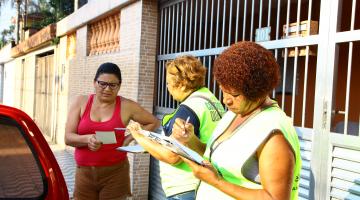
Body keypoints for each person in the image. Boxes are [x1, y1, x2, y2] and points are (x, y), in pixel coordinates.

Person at [172, 41, 302, 200]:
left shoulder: (274, 133)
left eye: (234, 95)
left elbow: (275, 198)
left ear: (257, 91)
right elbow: (218, 156)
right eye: (223, 91)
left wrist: (216, 182)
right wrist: (190, 140)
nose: (226, 100)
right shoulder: (234, 113)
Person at [127, 55, 225, 200]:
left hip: (186, 188)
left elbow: (172, 156)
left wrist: (138, 136)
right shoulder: (210, 99)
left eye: (168, 83)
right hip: (205, 185)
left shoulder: (188, 108)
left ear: (183, 84)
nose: (167, 88)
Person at [65, 62, 159, 200]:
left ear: (119, 86)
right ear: (94, 83)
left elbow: (153, 122)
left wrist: (129, 138)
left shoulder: (127, 106)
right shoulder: (81, 102)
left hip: (115, 174)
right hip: (84, 173)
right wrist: (88, 139)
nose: (107, 89)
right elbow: (68, 138)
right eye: (102, 83)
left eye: (113, 85)